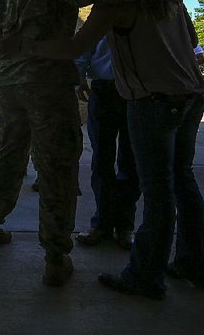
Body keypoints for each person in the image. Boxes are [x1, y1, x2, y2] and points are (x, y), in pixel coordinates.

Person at [0, 0, 204, 298]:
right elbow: (190, 43)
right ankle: (197, 263)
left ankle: (145, 276)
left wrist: (21, 45)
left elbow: (72, 47)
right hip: (190, 98)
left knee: (157, 192)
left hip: (153, 101)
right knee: (183, 183)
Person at [0, 0, 150, 288]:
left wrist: (6, 66)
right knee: (58, 162)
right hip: (48, 85)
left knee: (9, 152)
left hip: (9, 87)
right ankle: (56, 255)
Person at [74, 37, 139, 251]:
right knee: (102, 159)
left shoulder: (146, 11)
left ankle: (124, 226)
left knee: (130, 161)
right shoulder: (102, 13)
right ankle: (103, 223)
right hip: (105, 88)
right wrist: (79, 77)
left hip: (137, 88)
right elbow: (86, 47)